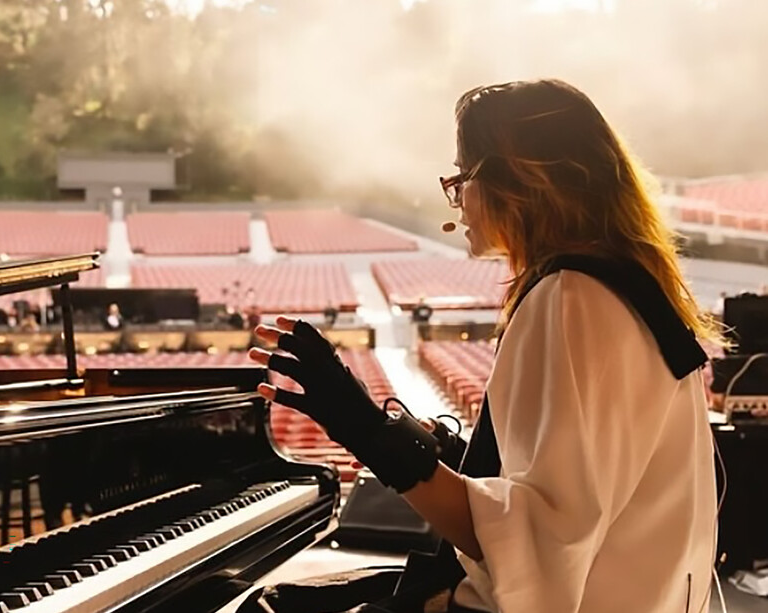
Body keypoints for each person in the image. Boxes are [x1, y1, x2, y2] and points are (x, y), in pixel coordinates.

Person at [247, 79, 721, 612]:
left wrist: (363, 429)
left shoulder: (571, 298)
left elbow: (537, 547)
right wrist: (453, 456)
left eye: (463, 176)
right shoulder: (623, 285)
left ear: (519, 178)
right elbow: (577, 495)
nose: (457, 197)